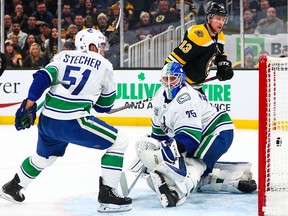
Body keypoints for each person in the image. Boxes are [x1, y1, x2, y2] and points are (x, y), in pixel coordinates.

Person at [0, 28, 132, 212]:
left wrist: (29, 106)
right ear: (91, 46)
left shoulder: (63, 56)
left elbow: (42, 78)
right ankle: (108, 196)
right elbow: (104, 106)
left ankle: (14, 186)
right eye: (101, 46)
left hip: (47, 121)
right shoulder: (105, 65)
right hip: (73, 122)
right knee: (119, 142)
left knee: (44, 157)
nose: (103, 50)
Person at [130, 62, 256, 208]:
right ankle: (224, 178)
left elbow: (190, 139)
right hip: (199, 134)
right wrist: (151, 153)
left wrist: (164, 153)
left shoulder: (187, 98)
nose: (169, 83)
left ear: (181, 79)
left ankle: (176, 193)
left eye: (173, 79)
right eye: (166, 79)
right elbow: (159, 134)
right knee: (180, 158)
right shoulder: (159, 96)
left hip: (217, 131)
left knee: (195, 162)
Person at [165, 2, 234, 94]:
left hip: (197, 88)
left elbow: (219, 54)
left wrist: (223, 66)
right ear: (209, 18)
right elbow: (171, 62)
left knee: (209, 109)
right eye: (218, 19)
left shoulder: (220, 36)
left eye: (223, 19)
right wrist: (176, 86)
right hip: (184, 87)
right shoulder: (198, 35)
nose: (221, 22)